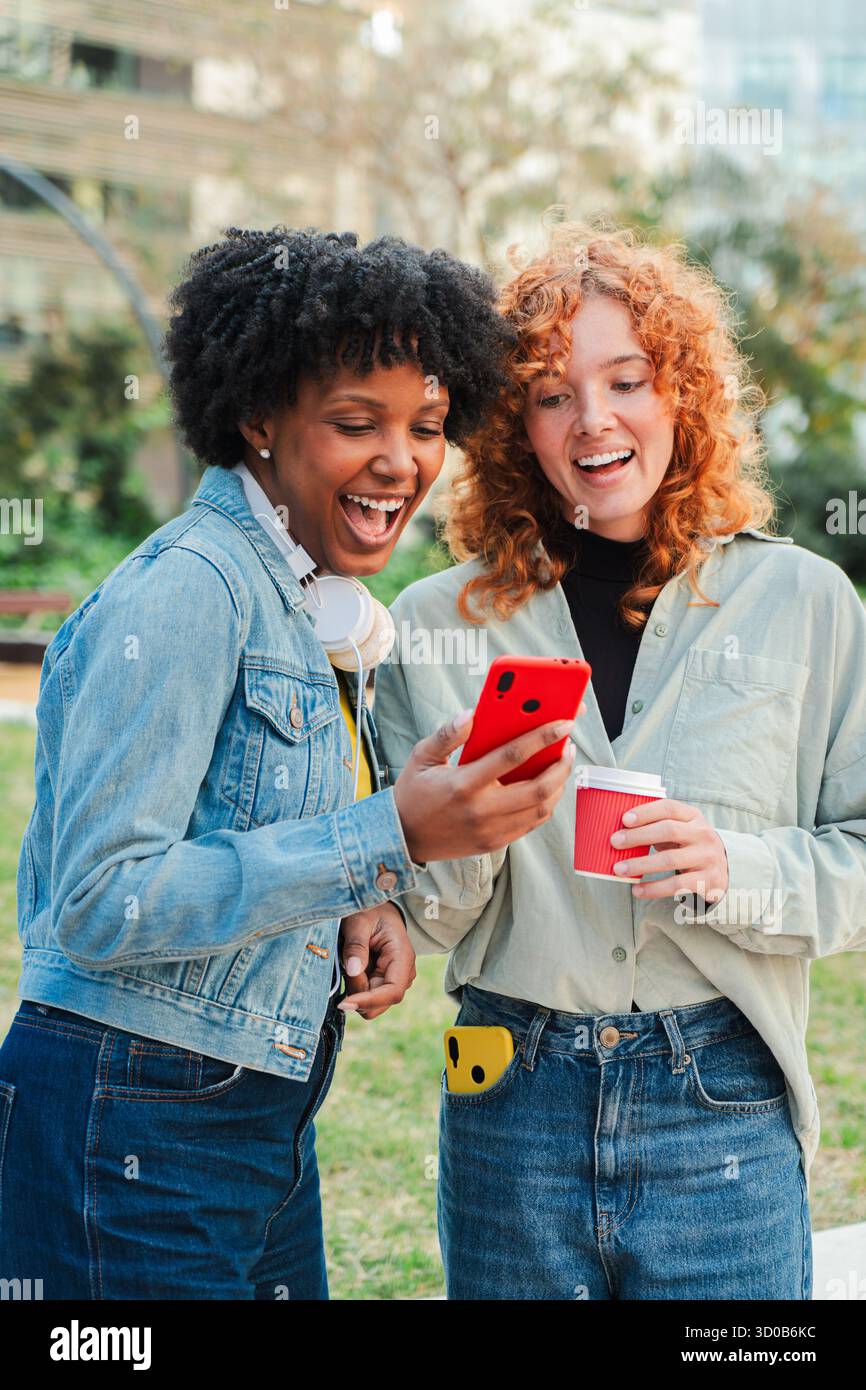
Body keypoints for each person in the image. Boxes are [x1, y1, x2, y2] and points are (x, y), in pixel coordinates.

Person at [0, 226, 580, 1299]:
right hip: (127, 1121)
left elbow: (239, 837)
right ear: (259, 418)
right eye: (355, 422)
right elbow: (100, 899)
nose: (400, 461)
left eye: (427, 427)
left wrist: (362, 908)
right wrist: (389, 832)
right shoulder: (192, 591)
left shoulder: (307, 604)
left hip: (250, 1122)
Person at [372, 218, 866, 1300]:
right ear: (514, 425)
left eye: (627, 380)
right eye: (550, 394)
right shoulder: (433, 623)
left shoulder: (807, 605)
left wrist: (735, 866)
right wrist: (462, 830)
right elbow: (422, 914)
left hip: (721, 1095)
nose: (592, 421)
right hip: (506, 1083)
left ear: (680, 395)